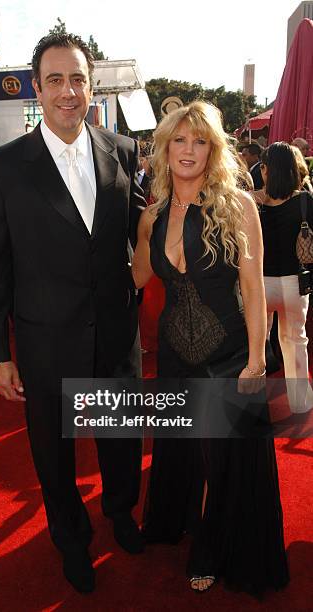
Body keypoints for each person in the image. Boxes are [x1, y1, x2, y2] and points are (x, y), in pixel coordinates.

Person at [0, 33, 146, 594]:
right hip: (45, 341)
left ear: (91, 85)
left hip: (115, 333)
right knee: (53, 452)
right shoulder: (4, 166)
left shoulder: (122, 151)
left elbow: (140, 232)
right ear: (37, 88)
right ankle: (70, 538)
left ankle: (121, 512)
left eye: (77, 79)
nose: (67, 91)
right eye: (55, 80)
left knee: (120, 438)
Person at [132, 101, 289, 595]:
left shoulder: (238, 205)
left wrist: (259, 359)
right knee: (184, 450)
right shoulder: (152, 215)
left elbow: (255, 285)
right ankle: (176, 521)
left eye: (200, 141)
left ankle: (212, 546)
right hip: (176, 354)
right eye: (180, 139)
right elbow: (134, 277)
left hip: (228, 353)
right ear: (164, 147)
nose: (188, 149)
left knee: (223, 456)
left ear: (213, 149)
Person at [259, 142, 313, 414]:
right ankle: (300, 402)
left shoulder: (254, 202)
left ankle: (254, 399)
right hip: (295, 282)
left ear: (267, 170)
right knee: (295, 341)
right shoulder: (305, 200)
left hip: (260, 284)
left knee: (256, 340)